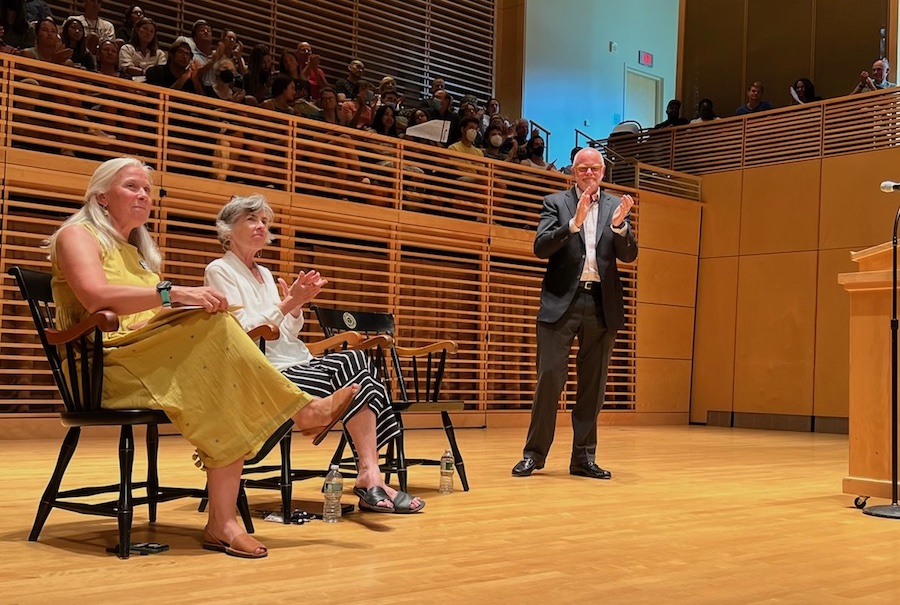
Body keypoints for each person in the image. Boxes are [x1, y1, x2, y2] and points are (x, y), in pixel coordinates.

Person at [48, 157, 359, 557]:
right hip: (104, 364)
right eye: (132, 187)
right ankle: (303, 413)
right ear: (102, 197)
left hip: (145, 352)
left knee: (220, 340)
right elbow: (95, 298)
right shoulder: (77, 234)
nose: (143, 194)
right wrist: (172, 294)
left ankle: (222, 523)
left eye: (147, 189)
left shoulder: (137, 251)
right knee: (218, 327)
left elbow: (147, 314)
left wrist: (181, 307)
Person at [204, 195, 425, 514]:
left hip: (295, 360)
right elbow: (239, 331)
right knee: (357, 366)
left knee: (360, 366)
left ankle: (370, 473)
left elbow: (288, 330)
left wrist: (294, 306)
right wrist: (287, 303)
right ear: (227, 229)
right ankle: (371, 475)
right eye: (251, 219)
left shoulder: (265, 273)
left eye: (265, 221)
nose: (261, 226)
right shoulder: (220, 270)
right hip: (262, 372)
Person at [511, 147, 638, 479]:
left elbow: (629, 255)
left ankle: (583, 458)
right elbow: (541, 247)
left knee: (592, 386)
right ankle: (534, 455)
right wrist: (573, 224)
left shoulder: (615, 206)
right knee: (549, 381)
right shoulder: (556, 203)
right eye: (583, 168)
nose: (589, 173)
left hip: (600, 303)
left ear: (603, 171)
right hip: (561, 303)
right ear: (573, 172)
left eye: (595, 168)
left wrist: (622, 228)